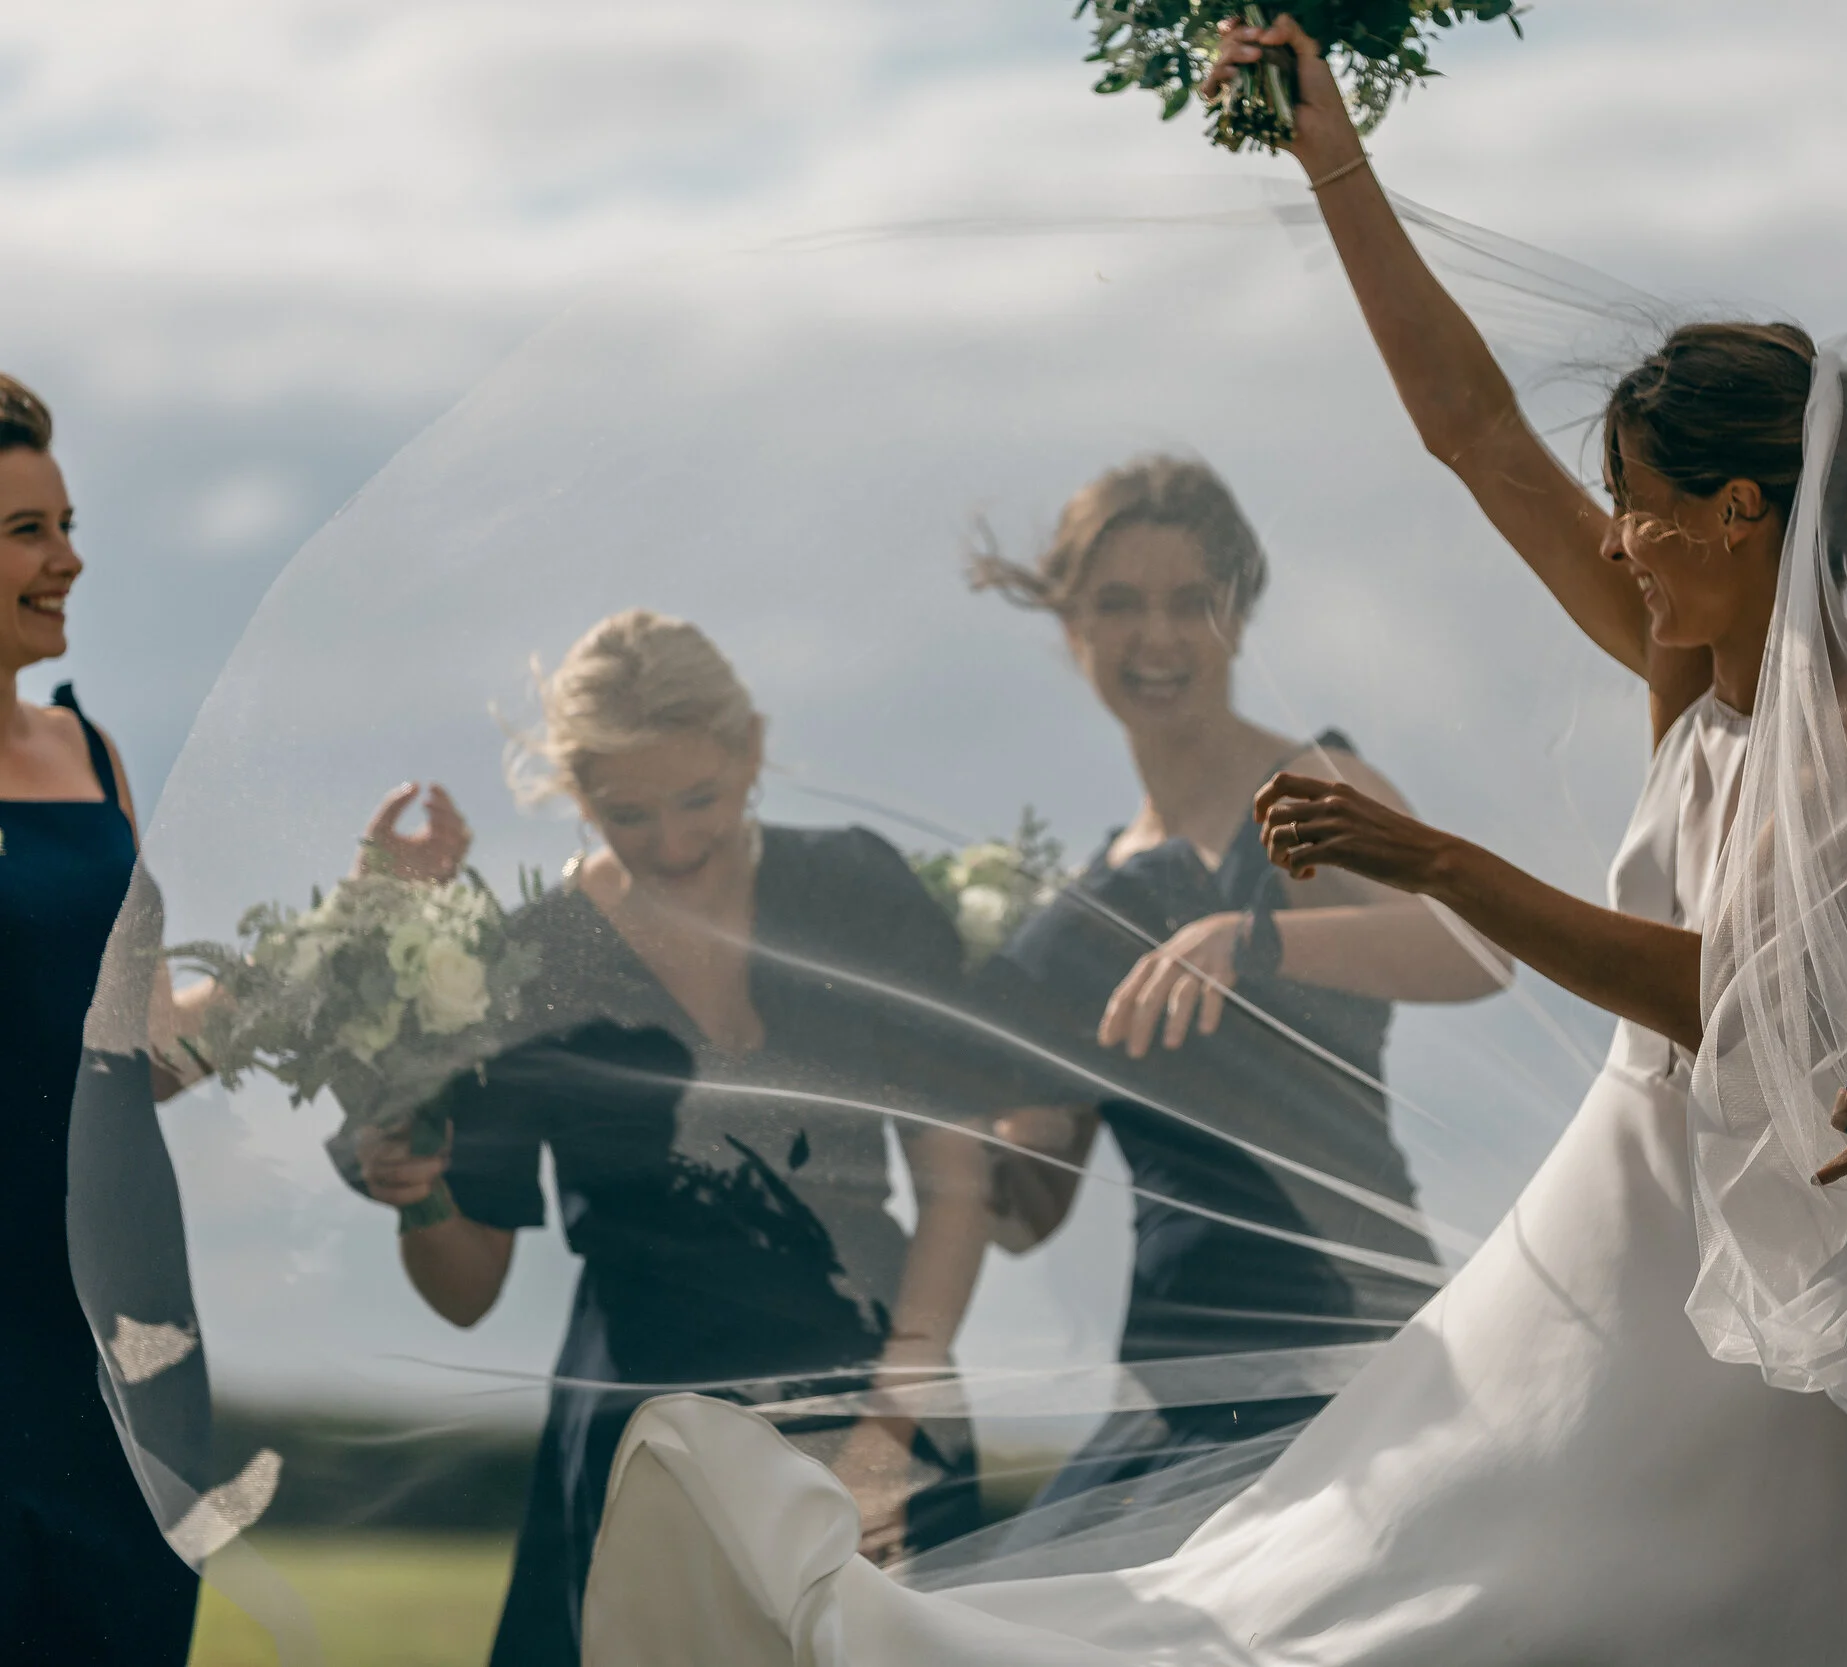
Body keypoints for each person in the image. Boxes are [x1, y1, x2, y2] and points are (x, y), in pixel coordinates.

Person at [577, 22, 1847, 1662]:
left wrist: (1438, 861)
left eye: (1640, 501)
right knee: (1383, 1613)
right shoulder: (1691, 665)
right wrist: (1335, 166)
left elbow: (1729, 999)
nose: (1616, 536)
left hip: (1779, 1254)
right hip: (1624, 1222)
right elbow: (1472, 431)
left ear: (1743, 512)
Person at [347, 610, 997, 1666]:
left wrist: (890, 1434)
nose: (673, 842)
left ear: (751, 744)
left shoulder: (856, 886)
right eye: (625, 811)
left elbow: (957, 1183)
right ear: (572, 789)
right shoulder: (530, 962)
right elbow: (466, 1287)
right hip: (643, 1454)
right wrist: (419, 1195)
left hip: (880, 1393)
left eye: (701, 796)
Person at [967, 455, 1498, 1537]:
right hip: (1180, 1371)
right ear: (1071, 626)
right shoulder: (1072, 918)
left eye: (1190, 603)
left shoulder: (1313, 784)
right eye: (1117, 604)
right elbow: (1022, 1210)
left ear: (1238, 617)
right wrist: (927, 1076)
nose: (1156, 638)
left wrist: (1256, 940)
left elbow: (1478, 947)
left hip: (1359, 1326)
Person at [0, 373, 212, 1663]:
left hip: (122, 1324)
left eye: (67, 522)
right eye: (27, 530)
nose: (70, 558)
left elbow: (144, 1053)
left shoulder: (97, 756)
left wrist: (351, 948)